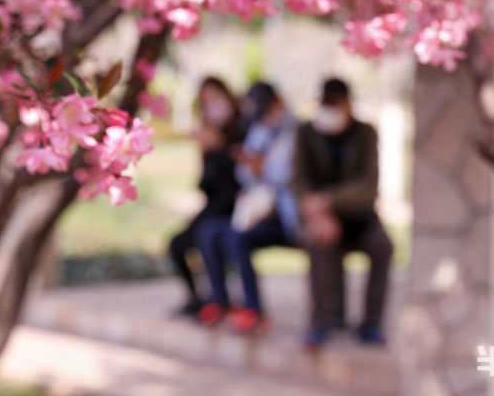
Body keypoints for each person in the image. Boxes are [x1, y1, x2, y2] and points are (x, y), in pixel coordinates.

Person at [293, 77, 392, 348]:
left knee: (382, 246)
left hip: (360, 216)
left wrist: (328, 200)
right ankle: (320, 323)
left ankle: (372, 324)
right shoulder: (306, 132)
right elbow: (299, 181)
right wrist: (318, 213)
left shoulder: (365, 133)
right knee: (319, 242)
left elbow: (368, 186)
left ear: (348, 104)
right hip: (320, 217)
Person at [197, 81, 299, 333]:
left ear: (279, 102)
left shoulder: (296, 131)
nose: (263, 119)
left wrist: (262, 167)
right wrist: (252, 166)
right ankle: (220, 300)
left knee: (238, 239)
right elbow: (243, 173)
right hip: (258, 210)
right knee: (209, 232)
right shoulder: (260, 128)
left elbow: (289, 175)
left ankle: (254, 309)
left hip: (288, 215)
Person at [168, 77, 242, 317]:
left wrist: (221, 148)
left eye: (215, 98)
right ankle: (198, 299)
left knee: (208, 236)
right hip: (214, 205)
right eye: (206, 101)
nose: (211, 105)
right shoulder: (207, 136)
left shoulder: (240, 130)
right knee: (178, 244)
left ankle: (219, 299)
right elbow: (206, 184)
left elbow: (240, 176)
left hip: (235, 205)